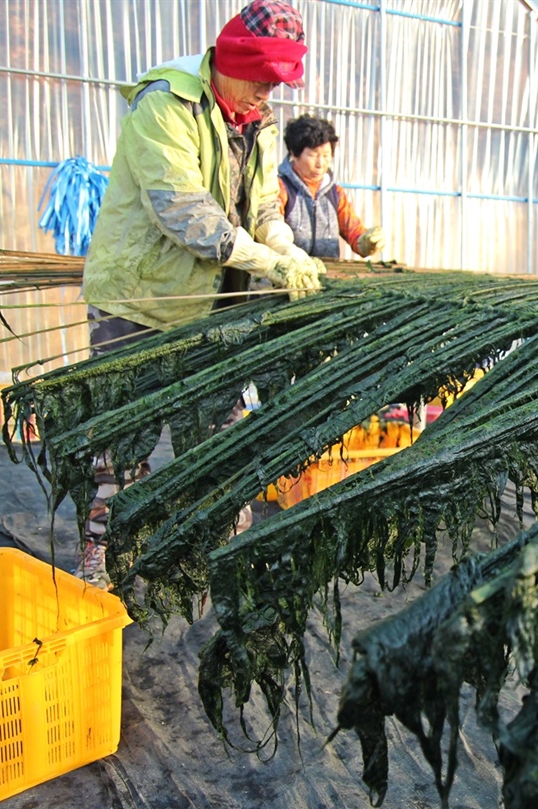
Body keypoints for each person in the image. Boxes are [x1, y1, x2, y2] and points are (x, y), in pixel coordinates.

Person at [77, 0, 316, 587]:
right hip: (141, 300)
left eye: (274, 87)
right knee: (120, 441)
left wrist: (285, 247)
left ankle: (219, 550)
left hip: (214, 305)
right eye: (260, 82)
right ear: (230, 62)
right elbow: (183, 210)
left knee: (221, 433)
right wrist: (264, 260)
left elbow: (262, 205)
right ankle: (101, 560)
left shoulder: (257, 124)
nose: (266, 95)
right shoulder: (165, 104)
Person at [277, 114, 386, 260]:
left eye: (326, 155)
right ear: (294, 154)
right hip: (289, 274)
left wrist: (367, 242)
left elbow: (353, 230)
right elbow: (272, 236)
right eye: (313, 155)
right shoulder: (280, 188)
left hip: (329, 274)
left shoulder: (335, 193)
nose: (320, 163)